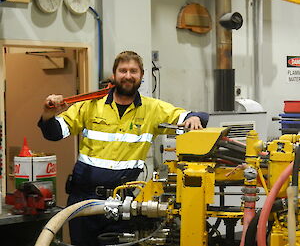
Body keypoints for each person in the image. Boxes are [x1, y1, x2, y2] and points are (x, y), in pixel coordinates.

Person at [38, 51, 209, 246]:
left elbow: (195, 116)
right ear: (114, 75)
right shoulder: (90, 106)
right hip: (83, 197)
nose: (128, 76)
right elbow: (54, 133)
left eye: (133, 71)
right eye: (123, 70)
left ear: (142, 75)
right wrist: (47, 115)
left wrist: (193, 118)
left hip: (122, 201)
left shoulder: (152, 109)